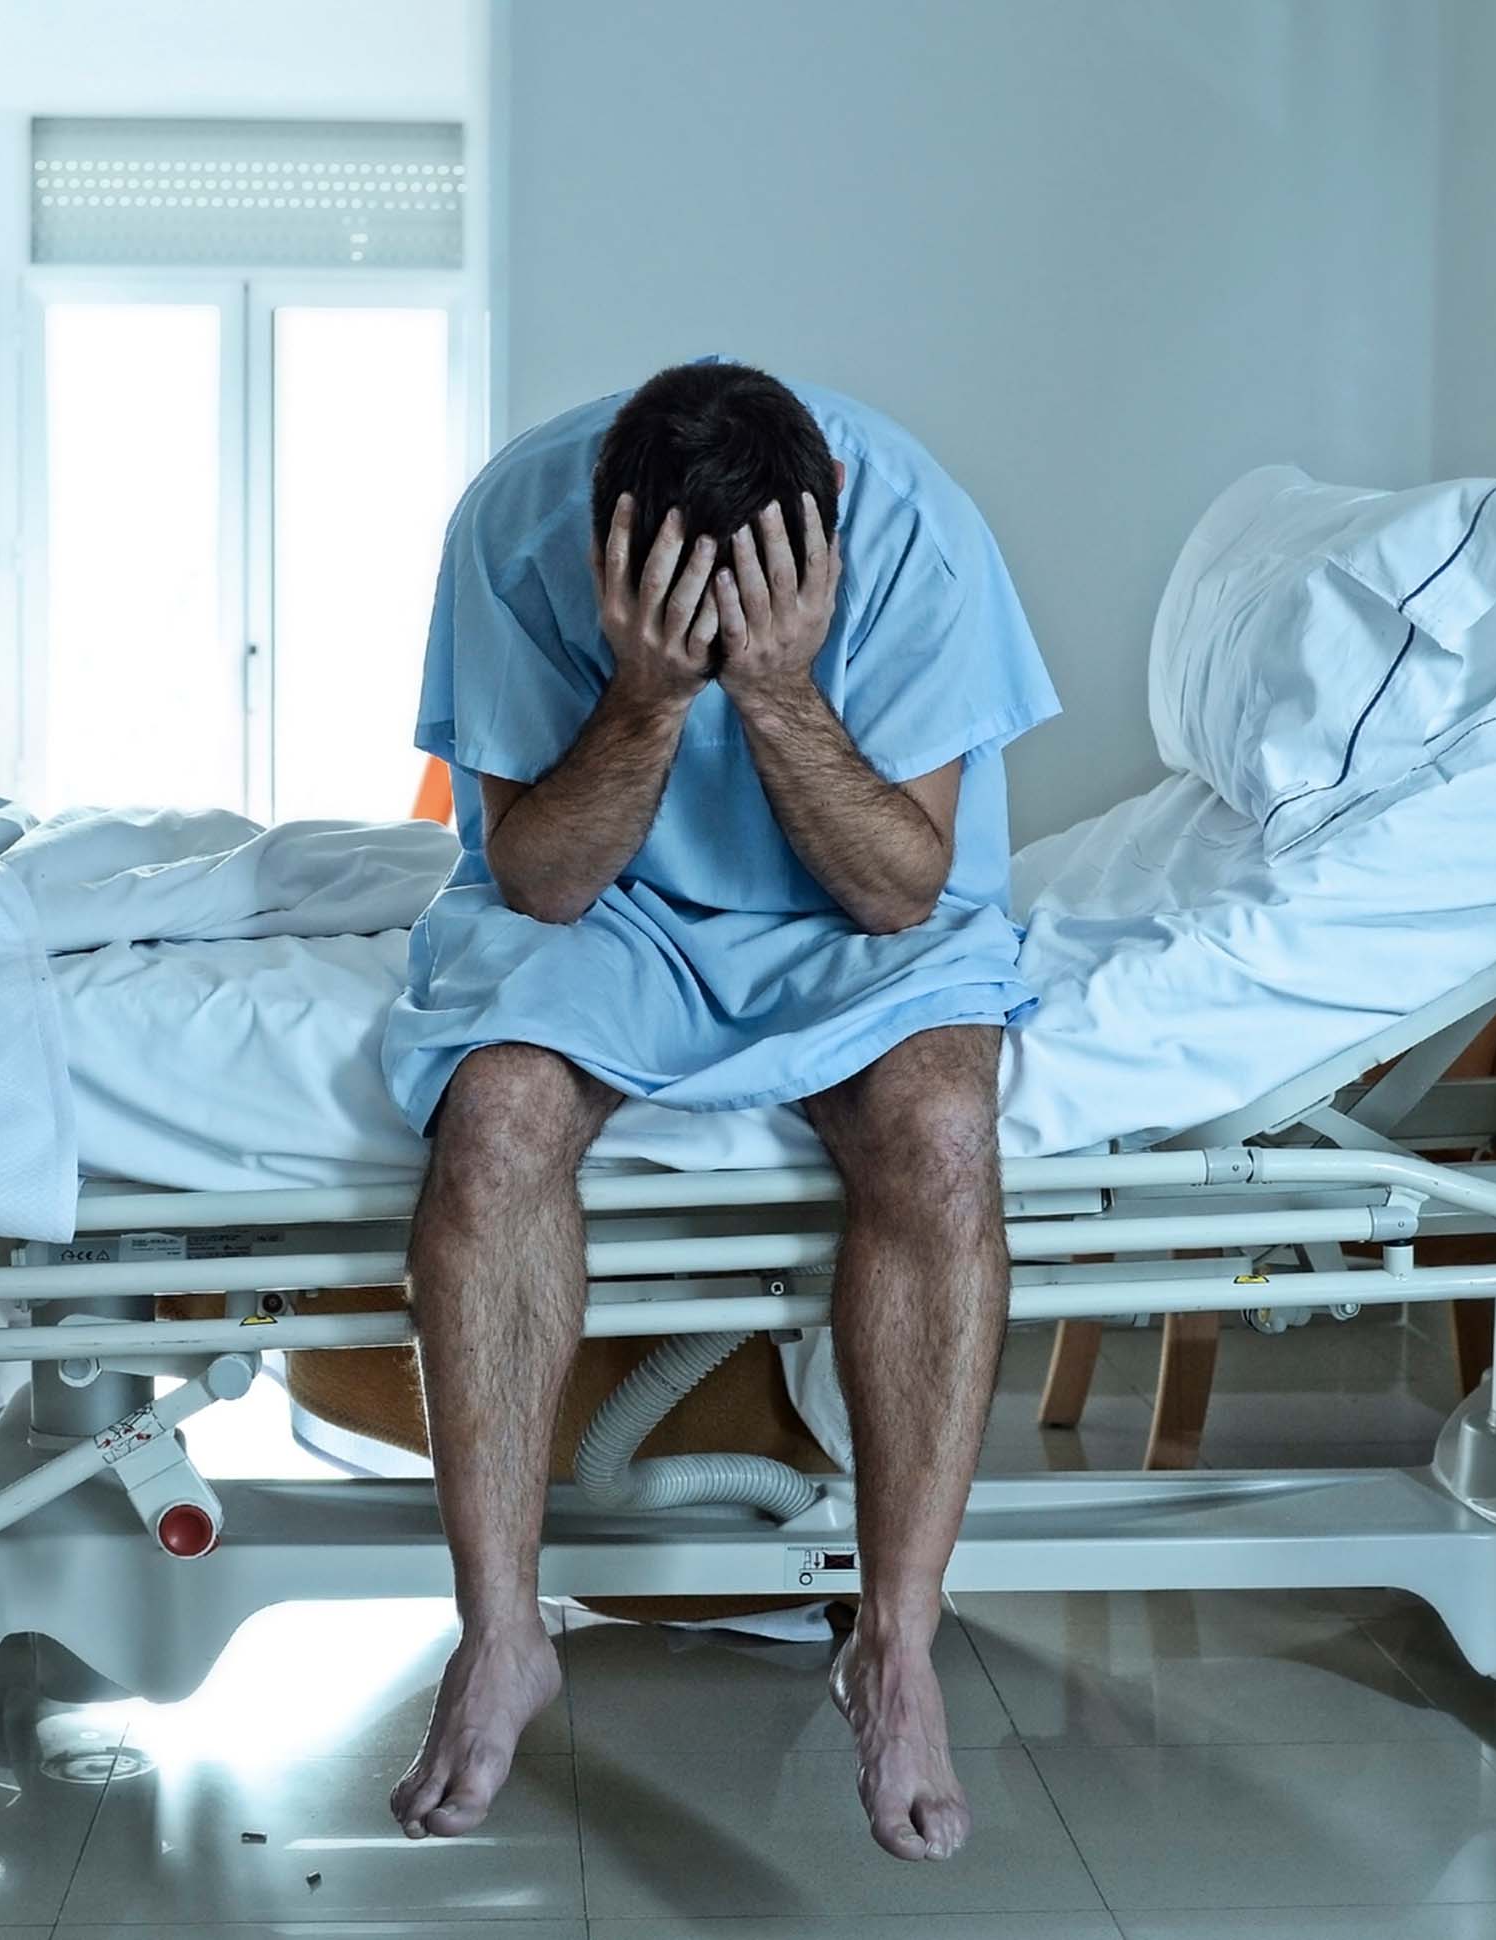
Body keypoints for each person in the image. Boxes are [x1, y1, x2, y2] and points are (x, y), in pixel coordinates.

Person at [379, 356, 1060, 1861]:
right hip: (608, 913)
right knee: (490, 1122)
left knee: (942, 1136)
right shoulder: (511, 526)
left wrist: (772, 684)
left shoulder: (918, 536)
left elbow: (898, 890)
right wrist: (645, 696)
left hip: (857, 909)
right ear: (602, 542)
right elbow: (540, 878)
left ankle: (892, 1646)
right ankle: (499, 1636)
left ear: (825, 541)